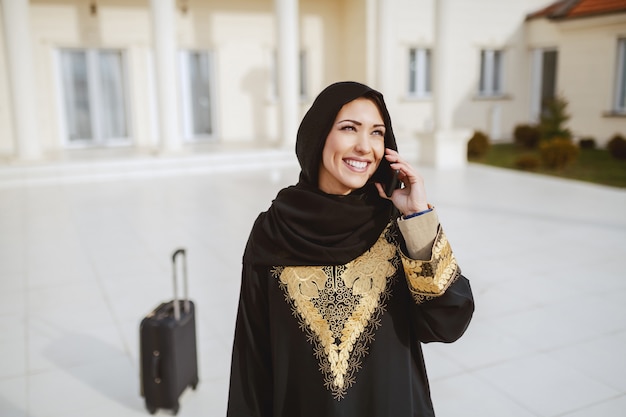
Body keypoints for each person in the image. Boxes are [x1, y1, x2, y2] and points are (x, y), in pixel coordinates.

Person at [226, 81, 474, 416]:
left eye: (376, 133)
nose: (364, 146)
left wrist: (418, 218)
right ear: (318, 136)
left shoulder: (397, 226)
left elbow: (447, 324)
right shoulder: (272, 230)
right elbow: (252, 360)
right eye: (349, 128)